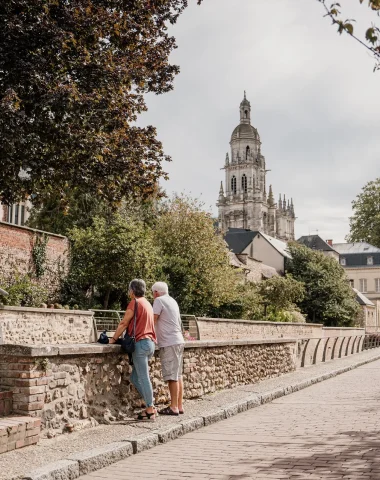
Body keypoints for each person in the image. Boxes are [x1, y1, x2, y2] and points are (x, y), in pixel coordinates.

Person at [110, 279, 157, 421]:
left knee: (143, 377)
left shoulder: (135, 303)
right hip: (150, 344)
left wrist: (113, 338)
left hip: (141, 344)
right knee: (135, 377)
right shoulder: (148, 303)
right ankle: (151, 407)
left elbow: (124, 322)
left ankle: (150, 408)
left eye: (129, 289)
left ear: (132, 290)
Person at [152, 281, 185, 416]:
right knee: (178, 375)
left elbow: (152, 320)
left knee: (172, 376)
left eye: (152, 293)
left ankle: (173, 407)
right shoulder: (172, 301)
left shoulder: (159, 301)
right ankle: (179, 405)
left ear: (156, 292)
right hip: (178, 340)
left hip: (169, 342)